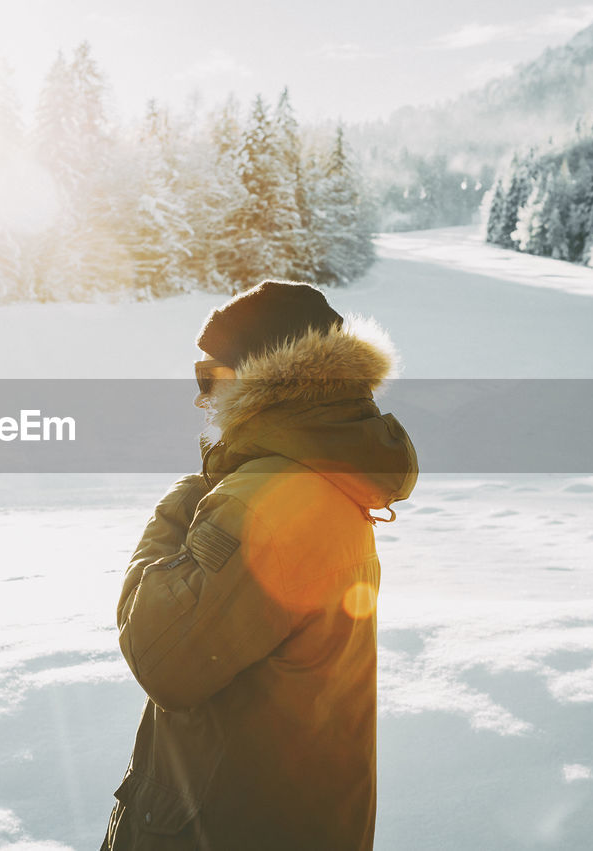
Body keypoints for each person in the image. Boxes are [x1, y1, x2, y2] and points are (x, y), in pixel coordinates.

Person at [99, 280, 418, 850]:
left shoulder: (266, 499)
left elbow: (161, 654)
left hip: (221, 826)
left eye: (208, 377)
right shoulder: (321, 478)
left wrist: (180, 506)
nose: (201, 398)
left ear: (259, 379)